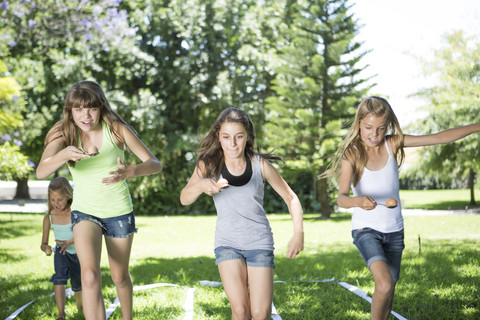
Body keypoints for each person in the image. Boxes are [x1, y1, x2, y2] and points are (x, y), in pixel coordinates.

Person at [321, 96, 480, 320]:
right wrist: (359, 201)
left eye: (380, 128)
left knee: (389, 290)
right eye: (368, 128)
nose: (374, 134)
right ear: (359, 124)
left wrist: (477, 126)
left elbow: (439, 138)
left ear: (387, 126)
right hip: (366, 230)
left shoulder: (392, 143)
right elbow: (341, 198)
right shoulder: (353, 153)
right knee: (384, 284)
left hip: (394, 230)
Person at [36, 80, 162, 320]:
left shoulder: (115, 129)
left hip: (118, 211)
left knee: (119, 277)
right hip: (85, 211)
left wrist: (130, 171)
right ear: (70, 111)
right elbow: (41, 171)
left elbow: (155, 164)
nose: (86, 115)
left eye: (91, 108)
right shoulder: (64, 133)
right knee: (90, 275)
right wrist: (63, 154)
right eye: (79, 109)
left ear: (100, 107)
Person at [180, 107, 304, 320]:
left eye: (238, 137)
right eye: (226, 137)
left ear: (248, 136)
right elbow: (184, 198)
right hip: (227, 242)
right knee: (240, 311)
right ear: (219, 136)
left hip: (259, 242)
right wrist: (201, 185)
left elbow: (291, 198)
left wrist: (298, 232)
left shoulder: (260, 165)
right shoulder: (208, 165)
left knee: (260, 313)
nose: (233, 144)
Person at [41, 176, 83, 320]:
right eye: (52, 200)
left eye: (60, 199)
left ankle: (81, 308)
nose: (56, 203)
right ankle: (61, 314)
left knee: (79, 283)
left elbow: (85, 234)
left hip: (79, 253)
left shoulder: (75, 213)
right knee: (59, 279)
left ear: (68, 196)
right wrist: (46, 248)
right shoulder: (49, 218)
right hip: (61, 252)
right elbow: (44, 243)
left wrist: (70, 241)